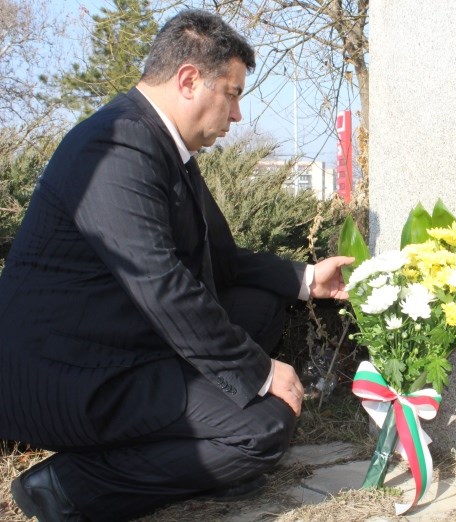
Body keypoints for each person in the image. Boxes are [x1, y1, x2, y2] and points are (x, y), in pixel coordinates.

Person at [0, 9, 353, 522]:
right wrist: (259, 373)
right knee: (264, 429)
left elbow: (221, 261)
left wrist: (306, 279)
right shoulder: (114, 145)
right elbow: (160, 285)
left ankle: (194, 451)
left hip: (121, 338)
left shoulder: (161, 146)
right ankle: (67, 487)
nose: (237, 115)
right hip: (72, 371)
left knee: (261, 304)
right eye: (232, 94)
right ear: (189, 80)